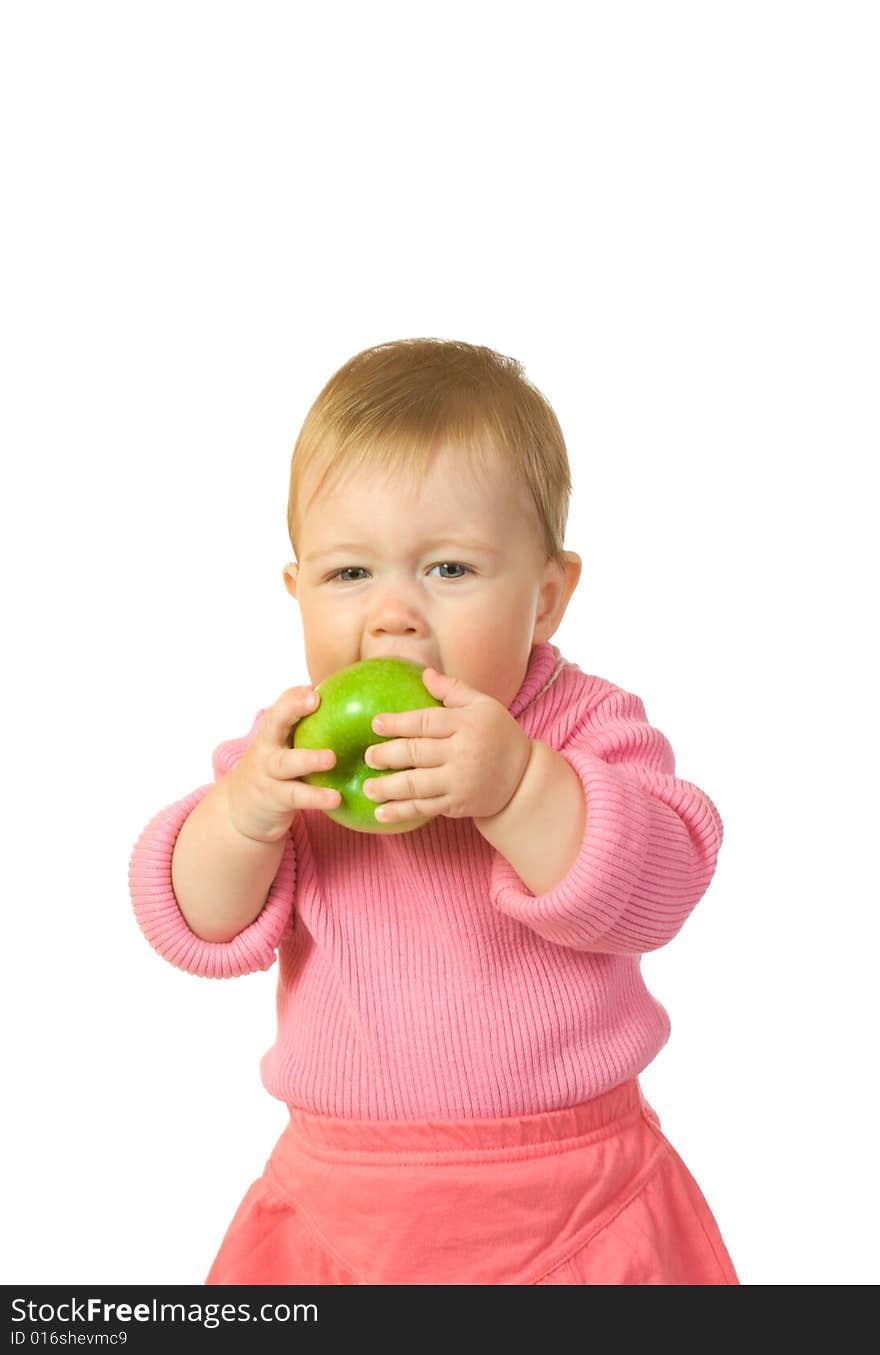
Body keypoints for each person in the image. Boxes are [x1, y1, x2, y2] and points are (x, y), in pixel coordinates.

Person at [128, 337, 739, 1285]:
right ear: (295, 593)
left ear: (545, 597)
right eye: (349, 575)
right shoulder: (294, 749)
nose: (395, 615)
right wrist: (244, 813)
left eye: (449, 570)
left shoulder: (581, 726)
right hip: (343, 1203)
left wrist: (518, 786)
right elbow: (195, 917)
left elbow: (663, 879)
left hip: (573, 1193)